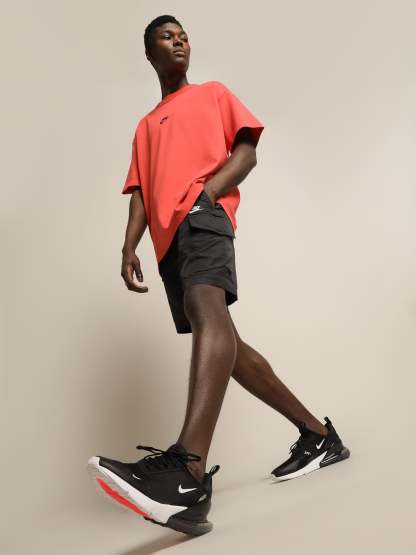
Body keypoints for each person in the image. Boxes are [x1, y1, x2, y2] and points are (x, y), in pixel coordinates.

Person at [87, 14, 350, 536]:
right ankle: (319, 437)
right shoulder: (145, 126)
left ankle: (187, 472)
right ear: (150, 54)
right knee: (225, 341)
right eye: (167, 37)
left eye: (183, 35)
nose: (179, 41)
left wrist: (206, 196)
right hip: (168, 242)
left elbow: (246, 151)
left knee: (209, 317)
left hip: (203, 218)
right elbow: (141, 193)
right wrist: (128, 245)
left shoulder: (212, 94)